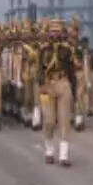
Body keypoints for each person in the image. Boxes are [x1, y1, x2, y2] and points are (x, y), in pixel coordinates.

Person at [38, 19, 77, 165]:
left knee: (64, 120)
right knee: (49, 120)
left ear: (61, 32)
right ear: (48, 32)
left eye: (57, 31)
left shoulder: (67, 49)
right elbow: (39, 70)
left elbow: (72, 71)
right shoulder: (43, 50)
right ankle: (49, 150)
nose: (55, 33)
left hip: (63, 84)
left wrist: (73, 91)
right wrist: (41, 85)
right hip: (47, 85)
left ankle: (63, 155)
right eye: (52, 31)